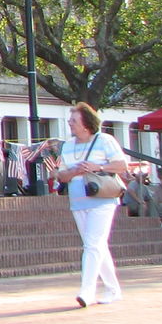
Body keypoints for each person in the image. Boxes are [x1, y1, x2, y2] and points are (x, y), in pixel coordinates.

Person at [54, 102, 128, 308]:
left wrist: (98, 166)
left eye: (74, 120)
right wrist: (75, 171)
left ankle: (87, 290)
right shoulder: (67, 146)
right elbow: (61, 175)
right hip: (78, 201)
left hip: (103, 199)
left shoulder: (104, 140)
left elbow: (121, 165)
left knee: (92, 244)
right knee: (97, 245)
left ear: (86, 124)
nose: (70, 123)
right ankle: (113, 288)